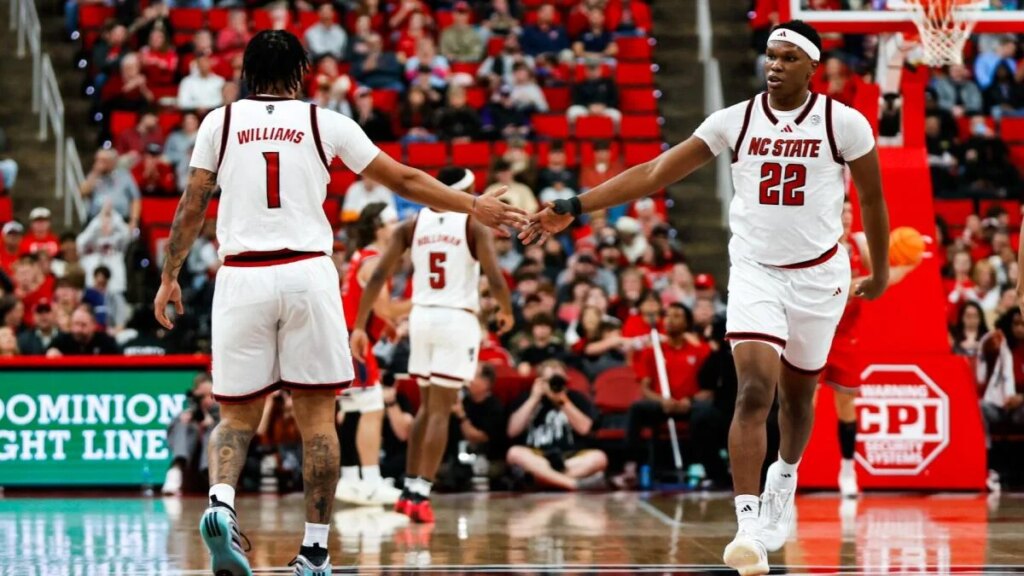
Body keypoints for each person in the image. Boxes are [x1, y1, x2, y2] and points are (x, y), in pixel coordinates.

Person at [520, 20, 890, 576]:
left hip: (820, 276)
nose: (775, 65)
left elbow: (873, 199)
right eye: (771, 55)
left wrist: (881, 272)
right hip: (756, 272)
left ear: (813, 67)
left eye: (788, 58)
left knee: (797, 399)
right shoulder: (734, 120)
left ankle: (783, 479)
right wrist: (575, 204)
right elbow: (655, 172)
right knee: (754, 391)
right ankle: (748, 527)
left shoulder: (845, 123)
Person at [152, 31, 525, 576]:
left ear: (247, 73)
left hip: (242, 276)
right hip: (307, 272)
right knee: (317, 419)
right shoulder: (325, 122)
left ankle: (222, 504)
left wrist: (170, 275)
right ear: (302, 71)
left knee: (235, 415)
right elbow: (404, 178)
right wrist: (471, 205)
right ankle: (314, 550)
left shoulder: (219, 122)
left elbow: (193, 204)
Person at [350, 166, 516, 524]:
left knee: (427, 407)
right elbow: (495, 277)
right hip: (455, 319)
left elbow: (377, 278)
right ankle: (421, 494)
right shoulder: (473, 225)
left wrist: (360, 325)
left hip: (421, 317)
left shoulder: (411, 226)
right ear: (467, 190)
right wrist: (506, 310)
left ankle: (408, 490)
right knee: (441, 409)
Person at [823, 201, 920, 499]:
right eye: (841, 211)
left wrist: (907, 263)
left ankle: (847, 470)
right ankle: (791, 471)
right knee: (802, 405)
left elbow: (881, 277)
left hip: (845, 337)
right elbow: (846, 288)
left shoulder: (858, 244)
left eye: (850, 212)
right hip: (815, 332)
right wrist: (873, 281)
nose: (846, 217)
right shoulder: (818, 246)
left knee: (846, 405)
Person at [335, 204, 411, 507]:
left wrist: (387, 325)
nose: (398, 227)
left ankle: (350, 480)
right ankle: (370, 481)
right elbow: (385, 307)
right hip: (356, 341)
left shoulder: (362, 255)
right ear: (380, 229)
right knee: (372, 408)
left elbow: (371, 307)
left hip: (346, 337)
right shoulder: (374, 261)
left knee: (353, 409)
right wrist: (426, 298)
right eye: (393, 223)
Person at [505, 360, 608, 490]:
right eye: (550, 380)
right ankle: (572, 483)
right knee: (514, 453)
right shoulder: (527, 398)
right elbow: (512, 431)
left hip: (570, 458)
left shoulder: (576, 398)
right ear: (540, 381)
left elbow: (585, 429)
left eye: (559, 380)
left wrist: (563, 401)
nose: (554, 384)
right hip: (537, 456)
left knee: (599, 458)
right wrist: (534, 398)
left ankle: (542, 480)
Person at [163, 373, 219, 495]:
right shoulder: (190, 410)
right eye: (202, 396)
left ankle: (209, 473)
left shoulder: (222, 409)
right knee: (181, 424)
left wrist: (210, 423)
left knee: (213, 430)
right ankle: (176, 468)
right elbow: (170, 433)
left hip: (213, 459)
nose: (206, 399)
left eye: (210, 395)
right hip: (189, 453)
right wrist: (189, 419)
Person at [46, 304, 119, 356]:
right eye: (76, 324)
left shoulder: (106, 342)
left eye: (83, 325)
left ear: (93, 325)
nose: (78, 329)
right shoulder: (62, 341)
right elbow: (44, 356)